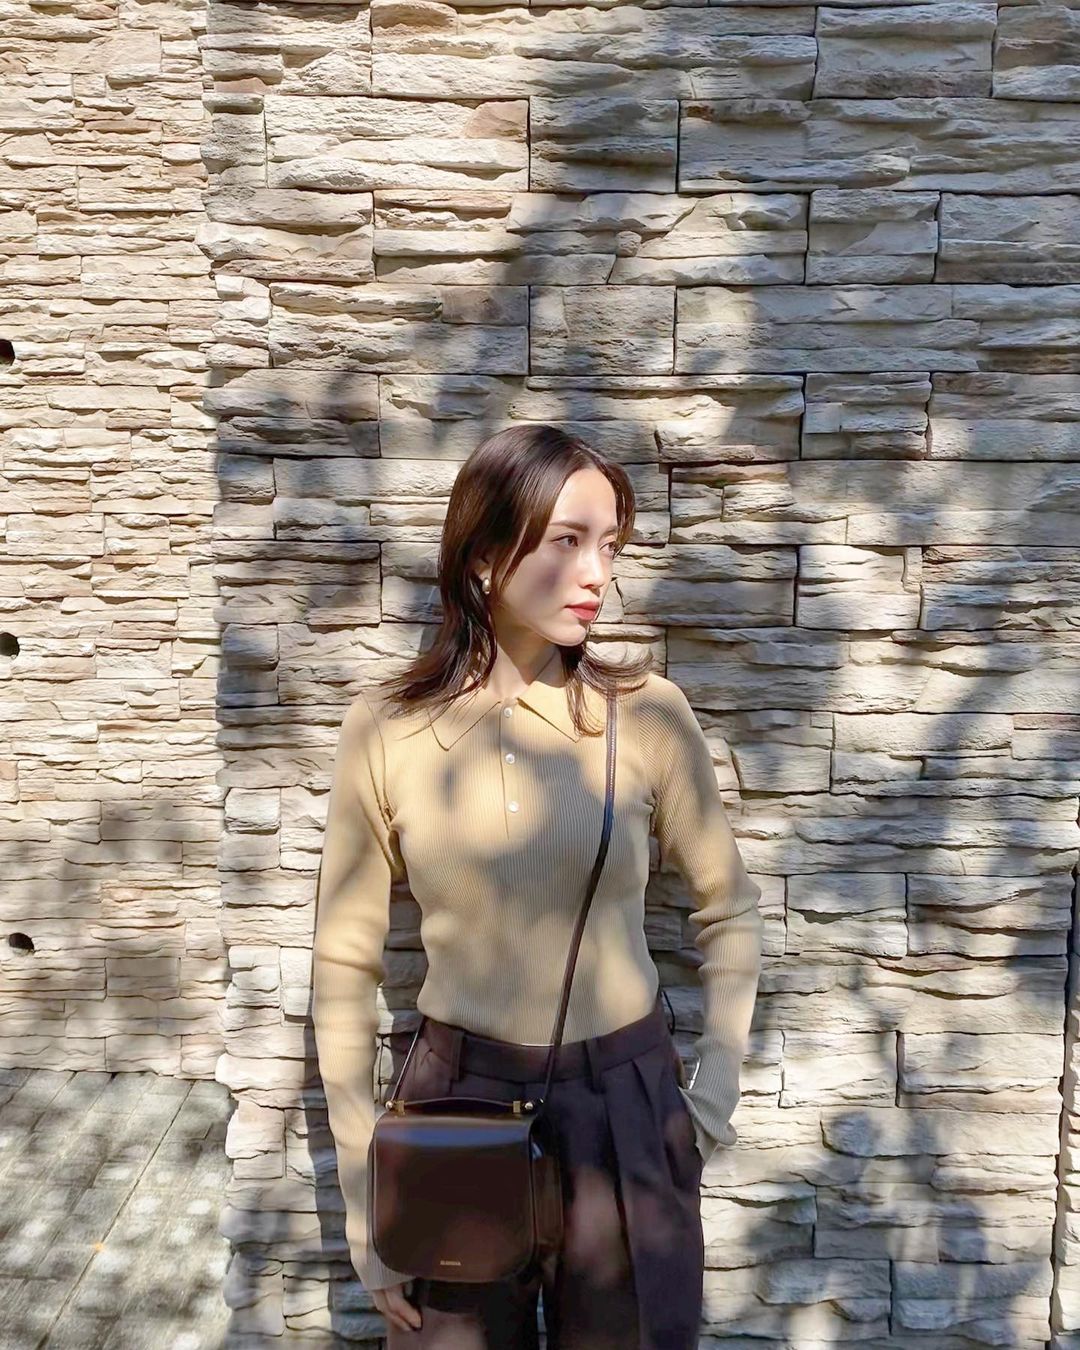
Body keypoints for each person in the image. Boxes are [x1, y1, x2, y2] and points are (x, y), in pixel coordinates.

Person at [312, 424, 764, 1349]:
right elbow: (344, 964)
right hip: (454, 1107)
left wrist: (708, 1106)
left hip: (624, 1108)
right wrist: (366, 1197)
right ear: (484, 555)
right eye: (567, 541)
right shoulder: (387, 729)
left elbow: (729, 909)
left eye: (610, 545)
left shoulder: (647, 717)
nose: (598, 574)